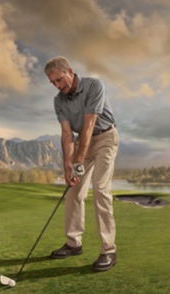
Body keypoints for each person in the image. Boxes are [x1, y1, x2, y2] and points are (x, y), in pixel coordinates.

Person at [44, 56, 118, 271]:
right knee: (74, 191)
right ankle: (73, 243)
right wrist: (68, 165)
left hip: (105, 138)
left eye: (59, 80)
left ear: (70, 71)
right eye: (53, 83)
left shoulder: (94, 86)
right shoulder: (59, 100)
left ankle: (108, 250)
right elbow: (67, 134)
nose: (58, 86)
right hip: (81, 144)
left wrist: (77, 162)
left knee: (101, 191)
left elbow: (88, 126)